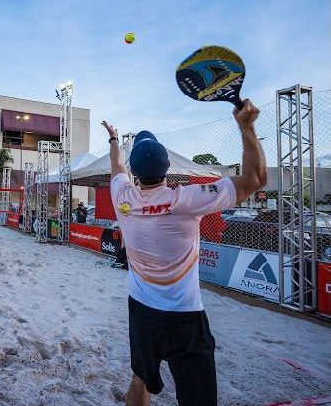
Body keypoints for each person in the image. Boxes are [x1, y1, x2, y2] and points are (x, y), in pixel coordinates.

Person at [102, 99, 266, 406]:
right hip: (185, 318)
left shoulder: (122, 197)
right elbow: (255, 180)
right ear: (167, 168)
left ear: (134, 172)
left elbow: (116, 165)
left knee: (140, 379)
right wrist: (246, 126)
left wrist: (114, 139)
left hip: (141, 312)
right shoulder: (187, 200)